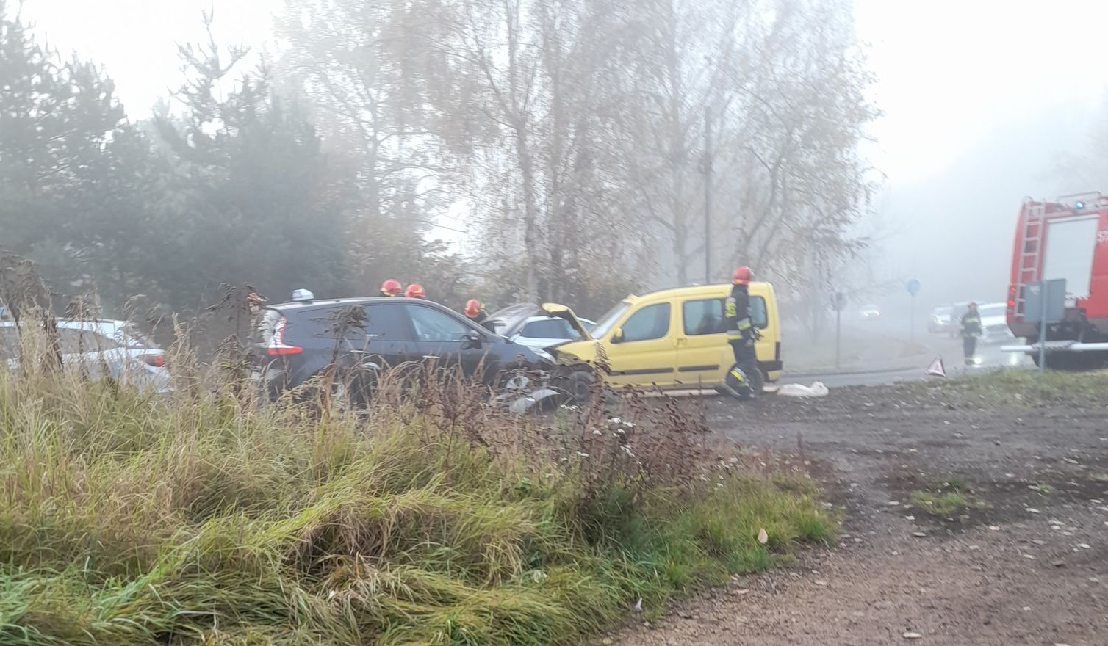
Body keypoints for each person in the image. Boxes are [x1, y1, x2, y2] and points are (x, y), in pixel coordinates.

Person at [725, 265, 760, 393]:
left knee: (741, 363)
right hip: (741, 337)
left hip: (734, 337)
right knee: (749, 363)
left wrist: (753, 329)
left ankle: (742, 388)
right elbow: (742, 319)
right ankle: (731, 382)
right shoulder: (741, 296)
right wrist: (748, 337)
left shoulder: (733, 296)